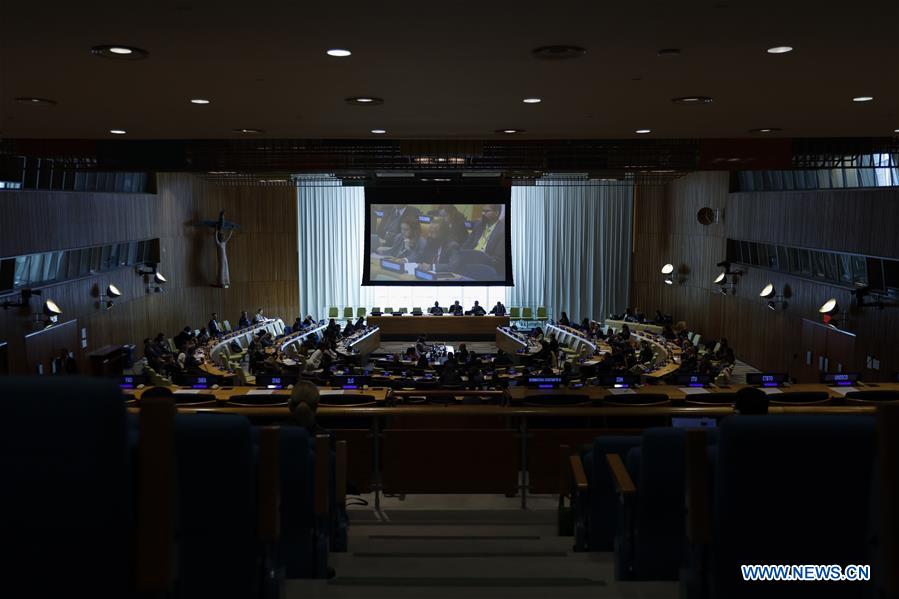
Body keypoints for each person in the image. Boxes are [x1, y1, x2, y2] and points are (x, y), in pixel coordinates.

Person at [459, 204, 505, 271]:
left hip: (484, 265)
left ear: (496, 213)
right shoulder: (479, 225)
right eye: (482, 211)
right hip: (469, 259)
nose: (483, 213)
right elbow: (466, 244)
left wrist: (478, 259)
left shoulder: (502, 231)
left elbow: (497, 259)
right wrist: (460, 254)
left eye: (487, 211)